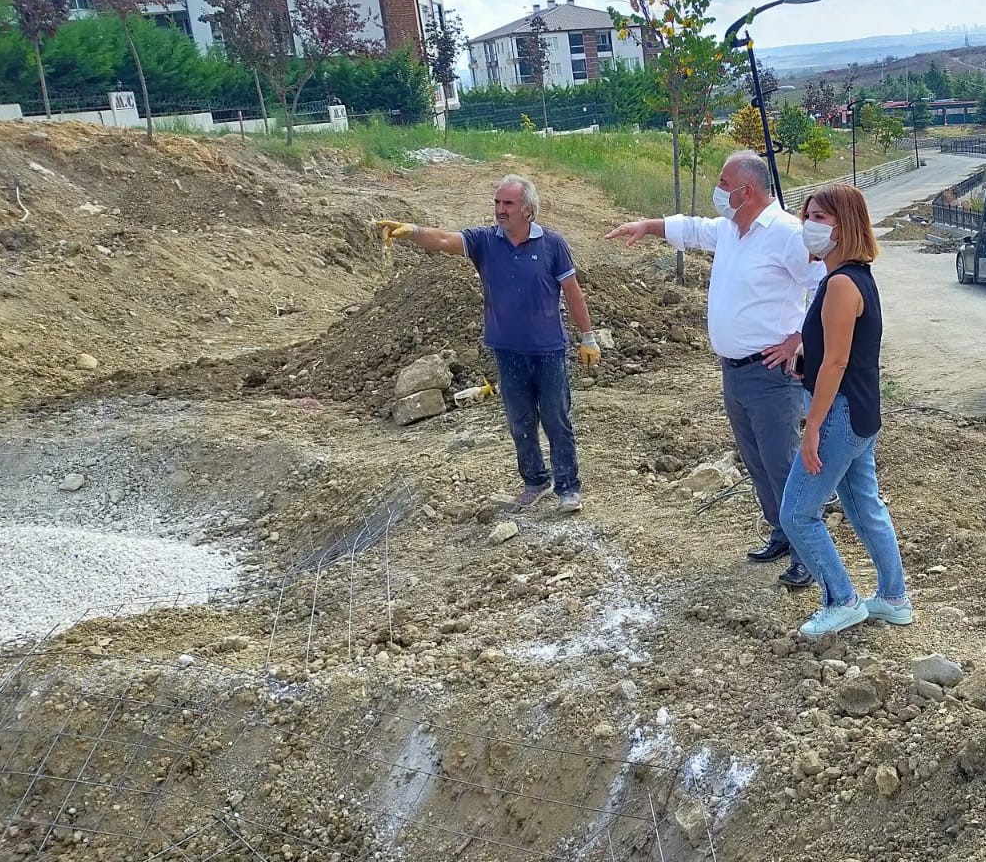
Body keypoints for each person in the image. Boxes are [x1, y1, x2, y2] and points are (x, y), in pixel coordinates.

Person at [606, 152, 824, 588]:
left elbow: (824, 286)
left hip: (769, 373)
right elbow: (691, 228)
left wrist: (797, 338)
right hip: (734, 372)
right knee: (756, 460)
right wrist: (648, 226)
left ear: (747, 191)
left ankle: (809, 554)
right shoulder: (732, 230)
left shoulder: (786, 234)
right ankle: (781, 532)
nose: (718, 190)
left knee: (781, 462)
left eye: (724, 183)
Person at [375, 174, 600, 513]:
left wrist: (588, 338)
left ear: (528, 210)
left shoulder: (553, 244)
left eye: (507, 203)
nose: (499, 210)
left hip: (549, 350)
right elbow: (445, 239)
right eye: (497, 203)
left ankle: (568, 486)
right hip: (507, 350)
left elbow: (573, 293)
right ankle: (535, 480)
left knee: (556, 418)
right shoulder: (484, 241)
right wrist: (414, 231)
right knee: (520, 421)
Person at [778, 183, 909, 638]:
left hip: (839, 414)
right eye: (807, 216)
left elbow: (836, 361)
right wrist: (805, 362)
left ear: (844, 225)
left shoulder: (840, 283)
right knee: (864, 508)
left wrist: (811, 428)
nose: (808, 226)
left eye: (819, 218)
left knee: (796, 513)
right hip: (861, 412)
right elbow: (836, 354)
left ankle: (842, 599)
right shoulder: (856, 277)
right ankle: (894, 598)